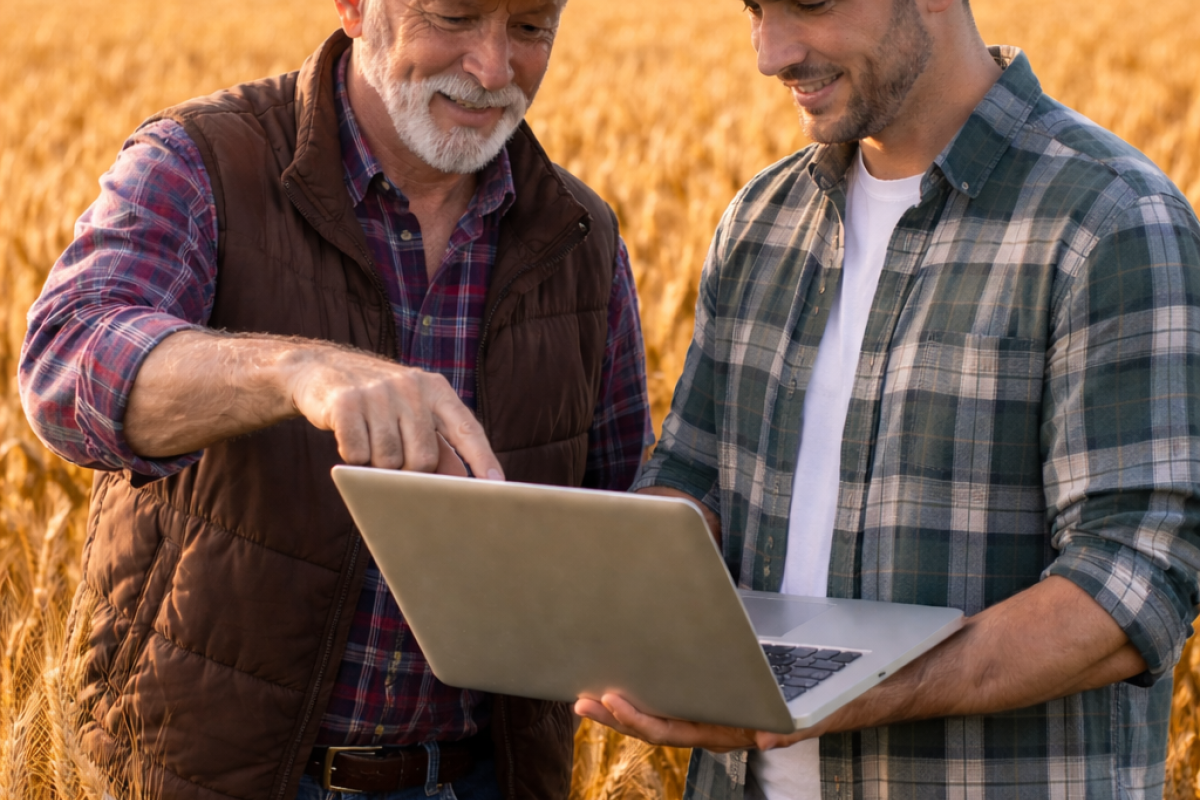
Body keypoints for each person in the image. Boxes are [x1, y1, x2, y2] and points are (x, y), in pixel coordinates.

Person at [18, 0, 652, 798]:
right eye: (454, 16)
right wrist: (295, 372)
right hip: (215, 778)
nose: (494, 68)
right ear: (355, 7)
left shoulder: (582, 239)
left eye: (529, 28)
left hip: (479, 780)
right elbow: (67, 364)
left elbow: (629, 522)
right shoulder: (203, 162)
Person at [574, 0, 1200, 798]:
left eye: (807, 3)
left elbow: (1133, 582)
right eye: (754, 9)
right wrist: (621, 595)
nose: (771, 53)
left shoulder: (1109, 223)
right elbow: (693, 478)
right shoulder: (762, 222)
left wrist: (835, 692)